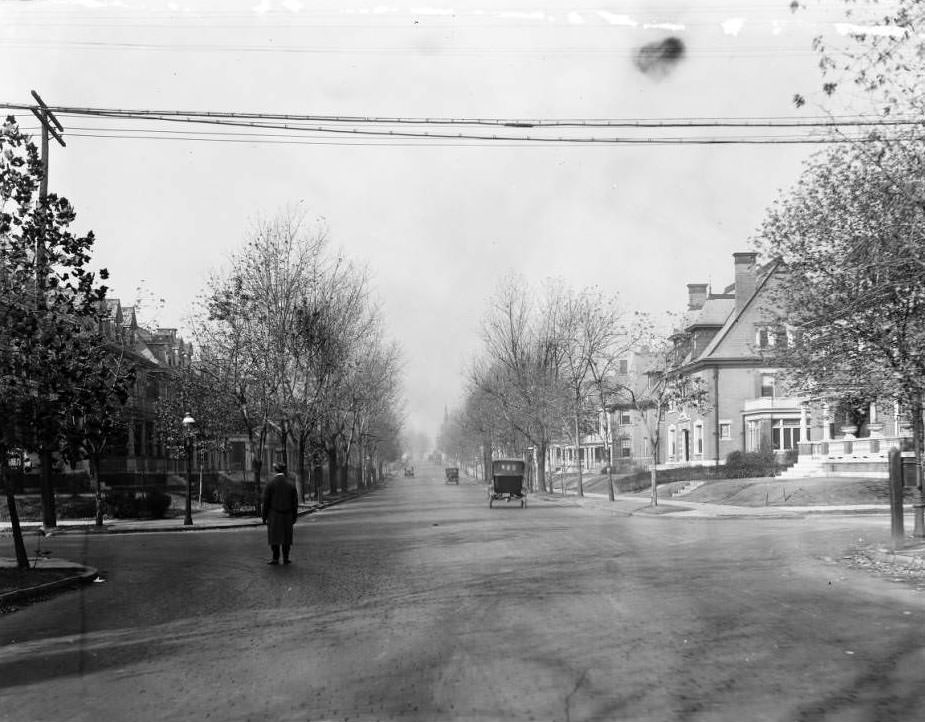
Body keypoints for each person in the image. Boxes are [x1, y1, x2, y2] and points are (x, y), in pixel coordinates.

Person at [261, 462, 299, 565]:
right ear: (284, 470)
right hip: (287, 515)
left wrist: (264, 516)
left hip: (274, 515)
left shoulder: (270, 484)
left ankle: (275, 558)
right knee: (286, 537)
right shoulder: (290, 484)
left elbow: (266, 502)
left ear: (275, 470)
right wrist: (294, 516)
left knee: (275, 537)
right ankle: (286, 558)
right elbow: (295, 503)